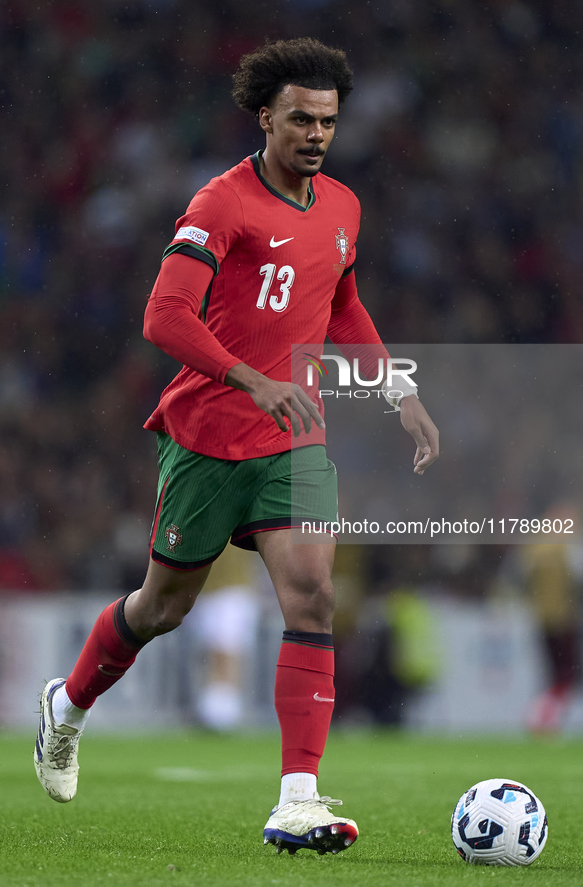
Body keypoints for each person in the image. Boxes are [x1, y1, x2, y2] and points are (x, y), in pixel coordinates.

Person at [34, 37, 439, 856]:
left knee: (313, 594)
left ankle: (297, 797)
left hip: (295, 437)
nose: (317, 134)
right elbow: (163, 317)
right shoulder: (220, 203)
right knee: (162, 608)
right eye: (300, 119)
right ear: (265, 117)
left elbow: (343, 305)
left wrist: (397, 388)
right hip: (207, 439)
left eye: (327, 120)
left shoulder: (343, 207)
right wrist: (251, 379)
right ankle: (67, 708)